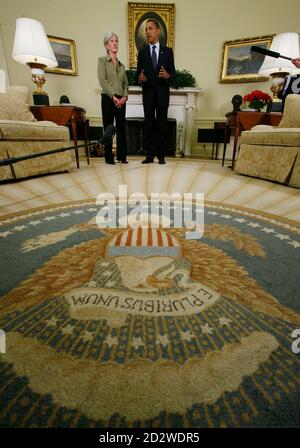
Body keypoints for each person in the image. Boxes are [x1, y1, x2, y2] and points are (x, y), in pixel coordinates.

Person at [136, 19, 176, 164]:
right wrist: (140, 78)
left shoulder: (168, 51)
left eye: (150, 28)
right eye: (146, 29)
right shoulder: (142, 53)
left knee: (161, 124)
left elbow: (173, 73)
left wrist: (168, 76)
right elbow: (137, 76)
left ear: (158, 31)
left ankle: (160, 154)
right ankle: (149, 154)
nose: (147, 32)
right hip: (148, 94)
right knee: (149, 124)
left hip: (162, 94)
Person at [97, 32, 128, 164]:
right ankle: (109, 158)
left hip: (121, 100)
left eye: (116, 41)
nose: (115, 43)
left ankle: (121, 157)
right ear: (106, 45)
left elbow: (126, 83)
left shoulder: (122, 65)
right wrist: (113, 96)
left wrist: (125, 97)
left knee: (121, 128)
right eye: (111, 41)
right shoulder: (102, 61)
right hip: (108, 98)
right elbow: (102, 80)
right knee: (109, 127)